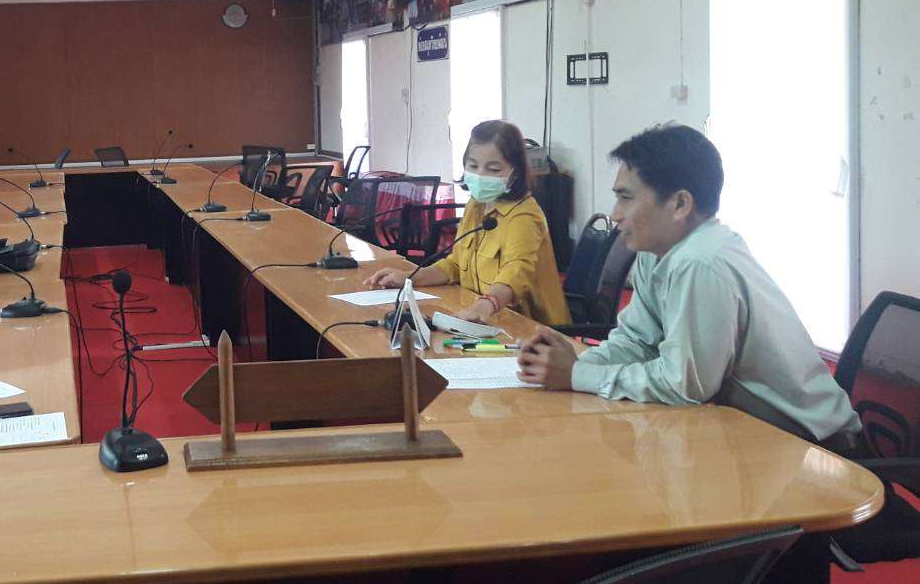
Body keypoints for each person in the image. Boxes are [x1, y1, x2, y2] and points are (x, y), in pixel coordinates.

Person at [515, 124, 860, 448]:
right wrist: (569, 365)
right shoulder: (658, 250)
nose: (616, 214)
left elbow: (684, 386)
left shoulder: (701, 262)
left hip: (812, 446)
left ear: (680, 204)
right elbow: (637, 340)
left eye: (626, 198)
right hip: (743, 427)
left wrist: (577, 375)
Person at [363, 119, 570, 326]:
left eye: (493, 169)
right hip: (479, 315)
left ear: (515, 172)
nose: (480, 175)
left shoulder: (524, 216)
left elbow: (517, 271)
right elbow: (455, 265)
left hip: (530, 326)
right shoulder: (476, 205)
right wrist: (409, 278)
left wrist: (488, 303)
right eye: (473, 166)